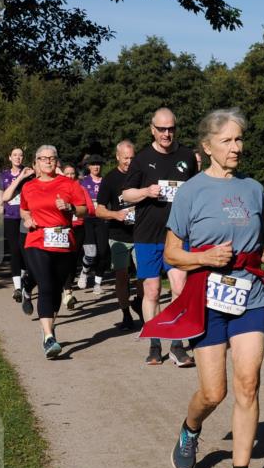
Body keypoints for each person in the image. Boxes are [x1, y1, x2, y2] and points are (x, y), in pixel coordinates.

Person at [141, 108, 264, 468]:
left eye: (239, 139)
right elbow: (173, 253)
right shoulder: (191, 191)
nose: (237, 147)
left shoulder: (254, 188)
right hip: (208, 298)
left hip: (250, 296)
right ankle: (190, 430)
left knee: (248, 384)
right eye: (228, 140)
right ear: (208, 146)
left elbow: (255, 240)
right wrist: (204, 259)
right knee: (213, 393)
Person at [122, 108, 199, 366]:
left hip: (178, 235)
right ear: (152, 129)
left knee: (179, 288)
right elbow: (127, 195)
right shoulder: (142, 159)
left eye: (171, 128)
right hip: (147, 235)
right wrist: (146, 191)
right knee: (152, 292)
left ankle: (177, 345)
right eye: (162, 129)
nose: (167, 133)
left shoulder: (187, 156)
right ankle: (155, 343)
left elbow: (199, 191)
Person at [20, 145, 88, 358]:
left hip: (63, 241)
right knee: (47, 285)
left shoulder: (69, 184)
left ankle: (49, 328)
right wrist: (27, 218)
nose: (48, 162)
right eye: (43, 158)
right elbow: (23, 208)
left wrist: (69, 208)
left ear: (56, 161)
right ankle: (49, 338)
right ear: (37, 162)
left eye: (52, 158)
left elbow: (84, 208)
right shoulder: (29, 187)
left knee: (56, 289)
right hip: (37, 239)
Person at [96, 140, 143, 330]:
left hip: (140, 234)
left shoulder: (141, 176)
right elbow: (99, 210)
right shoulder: (110, 179)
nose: (129, 162)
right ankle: (125, 314)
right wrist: (115, 214)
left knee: (146, 276)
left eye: (132, 158)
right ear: (117, 157)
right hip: (118, 235)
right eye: (125, 158)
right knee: (122, 276)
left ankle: (139, 302)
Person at [0, 148, 28, 302]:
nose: (18, 157)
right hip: (10, 217)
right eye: (15, 155)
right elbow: (1, 197)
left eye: (20, 155)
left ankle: (23, 279)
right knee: (14, 250)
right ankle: (17, 287)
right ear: (9, 157)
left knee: (24, 250)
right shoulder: (4, 175)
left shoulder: (30, 174)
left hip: (25, 216)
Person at [60, 162, 94, 310]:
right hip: (62, 229)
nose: (69, 176)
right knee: (62, 260)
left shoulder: (81, 189)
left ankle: (68, 292)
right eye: (66, 173)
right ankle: (63, 289)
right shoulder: (58, 189)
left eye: (72, 173)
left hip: (78, 228)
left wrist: (77, 211)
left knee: (72, 261)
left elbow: (90, 209)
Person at [77, 154, 111, 296]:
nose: (96, 167)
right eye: (93, 164)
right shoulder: (83, 182)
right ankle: (84, 272)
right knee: (91, 253)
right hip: (88, 220)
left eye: (98, 164)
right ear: (89, 167)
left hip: (103, 219)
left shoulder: (106, 181)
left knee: (103, 253)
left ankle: (98, 283)